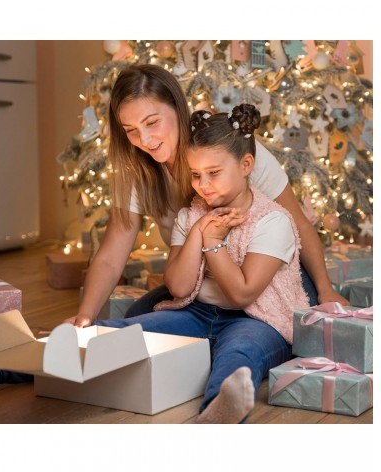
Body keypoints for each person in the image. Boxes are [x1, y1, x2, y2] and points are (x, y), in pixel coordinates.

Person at [65, 63, 347, 328]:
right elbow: (111, 256)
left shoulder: (233, 153)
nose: (145, 140)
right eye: (131, 131)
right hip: (202, 288)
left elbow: (299, 222)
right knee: (137, 316)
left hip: (265, 286)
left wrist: (325, 290)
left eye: (152, 123)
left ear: (177, 109)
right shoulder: (137, 171)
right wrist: (84, 316)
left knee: (244, 329)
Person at [94, 104, 310, 423]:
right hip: (196, 314)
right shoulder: (191, 215)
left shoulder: (273, 221)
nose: (203, 184)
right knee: (123, 332)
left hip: (257, 321)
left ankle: (216, 413)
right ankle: (10, 366)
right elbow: (179, 286)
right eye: (195, 174)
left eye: (214, 173)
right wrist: (199, 230)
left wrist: (213, 241)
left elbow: (241, 295)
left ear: (246, 164)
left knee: (238, 355)